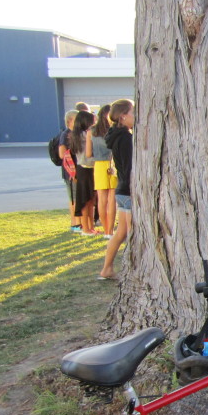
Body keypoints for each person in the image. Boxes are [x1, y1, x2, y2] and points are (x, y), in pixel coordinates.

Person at [98, 99, 135, 281]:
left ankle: (107, 268)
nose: (135, 116)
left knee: (121, 232)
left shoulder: (116, 135)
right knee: (131, 232)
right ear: (123, 116)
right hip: (127, 190)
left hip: (121, 189)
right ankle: (131, 270)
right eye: (133, 112)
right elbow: (129, 167)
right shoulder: (126, 138)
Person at [69, 110, 99, 236]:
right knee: (86, 200)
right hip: (85, 168)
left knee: (91, 200)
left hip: (85, 168)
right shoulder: (84, 135)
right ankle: (86, 228)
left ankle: (90, 227)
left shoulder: (76, 135)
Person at [90, 104, 117, 239]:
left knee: (101, 199)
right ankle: (110, 230)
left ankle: (106, 229)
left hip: (99, 165)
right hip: (112, 163)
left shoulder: (92, 131)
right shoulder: (113, 130)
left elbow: (89, 153)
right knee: (112, 199)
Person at [59, 110, 82, 233]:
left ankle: (79, 222)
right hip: (70, 172)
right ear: (70, 121)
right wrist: (72, 170)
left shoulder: (77, 134)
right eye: (76, 119)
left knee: (78, 196)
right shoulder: (66, 134)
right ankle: (75, 223)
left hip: (78, 170)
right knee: (73, 198)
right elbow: (62, 154)